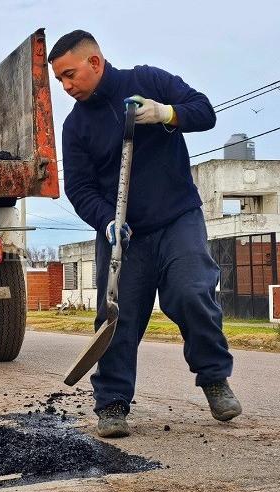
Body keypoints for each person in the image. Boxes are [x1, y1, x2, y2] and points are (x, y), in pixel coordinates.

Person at [48, 30, 241, 437]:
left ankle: (214, 379)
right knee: (117, 315)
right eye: (59, 80)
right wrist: (106, 220)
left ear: (95, 63)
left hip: (177, 219)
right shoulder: (76, 126)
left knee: (192, 292)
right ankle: (113, 403)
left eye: (69, 75)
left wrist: (166, 113)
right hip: (122, 232)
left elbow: (204, 111)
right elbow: (79, 187)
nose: (65, 87)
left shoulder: (149, 81)